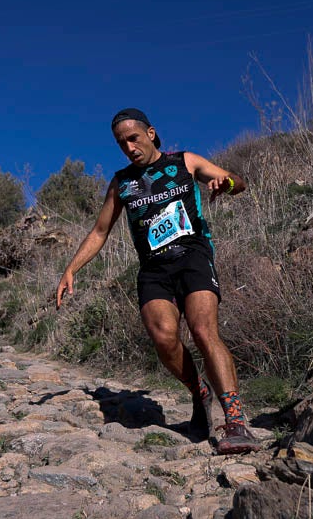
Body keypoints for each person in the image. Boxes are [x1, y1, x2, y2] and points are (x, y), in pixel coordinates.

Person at [55, 107, 257, 455]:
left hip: (192, 255)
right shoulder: (121, 183)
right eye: (121, 143)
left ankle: (235, 421)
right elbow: (101, 230)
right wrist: (71, 269)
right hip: (153, 267)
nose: (129, 147)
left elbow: (239, 182)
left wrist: (226, 183)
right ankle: (200, 393)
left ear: (150, 133)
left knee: (203, 330)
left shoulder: (185, 162)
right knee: (164, 339)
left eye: (133, 138)